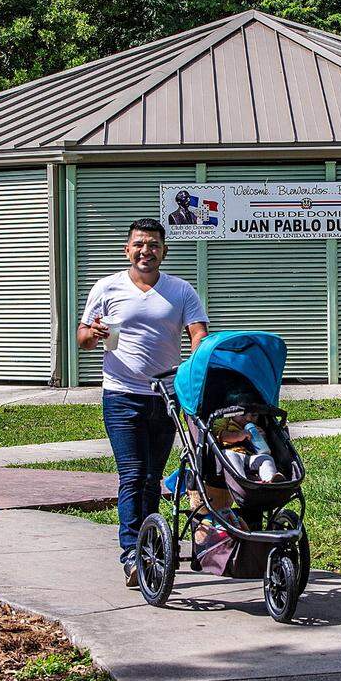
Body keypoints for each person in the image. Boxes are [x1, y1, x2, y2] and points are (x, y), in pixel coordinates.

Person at [77, 217, 208, 587]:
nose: (145, 251)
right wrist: (94, 332)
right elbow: (82, 339)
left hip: (166, 398)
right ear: (127, 249)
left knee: (152, 479)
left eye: (153, 245)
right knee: (132, 475)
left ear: (164, 251)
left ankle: (151, 546)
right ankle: (132, 554)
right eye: (139, 244)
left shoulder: (181, 291)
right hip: (121, 395)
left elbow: (198, 332)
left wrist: (193, 365)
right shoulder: (107, 288)